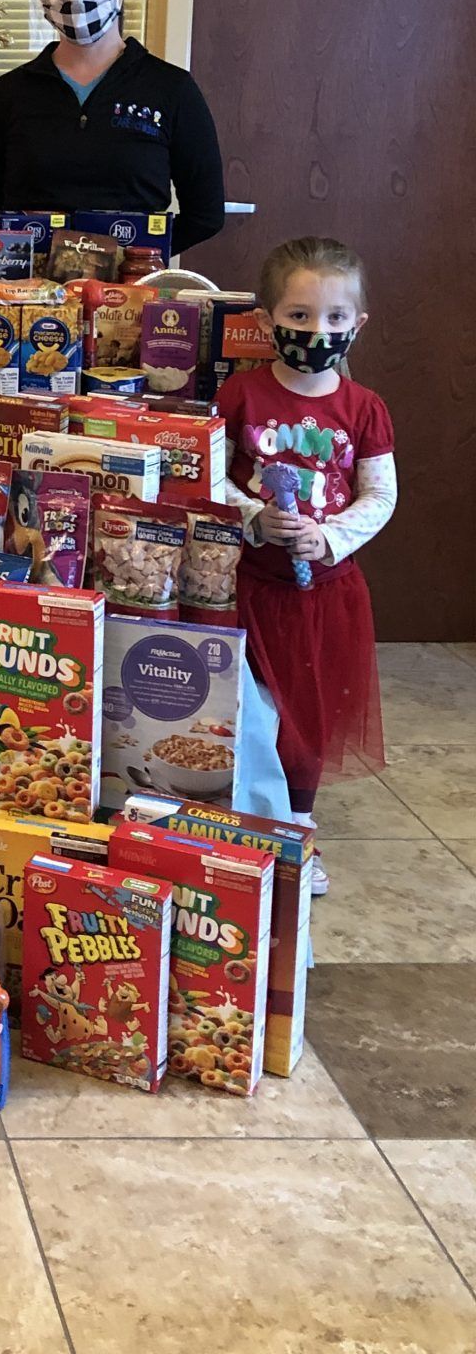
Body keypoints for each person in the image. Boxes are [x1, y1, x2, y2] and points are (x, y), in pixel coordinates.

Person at [215, 236, 396, 895]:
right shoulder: (239, 396)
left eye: (334, 318)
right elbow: (208, 477)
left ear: (358, 324)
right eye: (298, 316)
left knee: (307, 722)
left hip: (325, 595)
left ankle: (297, 832)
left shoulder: (364, 409)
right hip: (248, 585)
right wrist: (253, 515)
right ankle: (246, 822)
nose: (317, 331)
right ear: (266, 321)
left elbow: (381, 495)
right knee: (249, 714)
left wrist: (330, 536)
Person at [0, 0, 225, 254]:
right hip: (25, 297)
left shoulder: (172, 90)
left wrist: (142, 254)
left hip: (131, 296)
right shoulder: (10, 93)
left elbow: (206, 214)